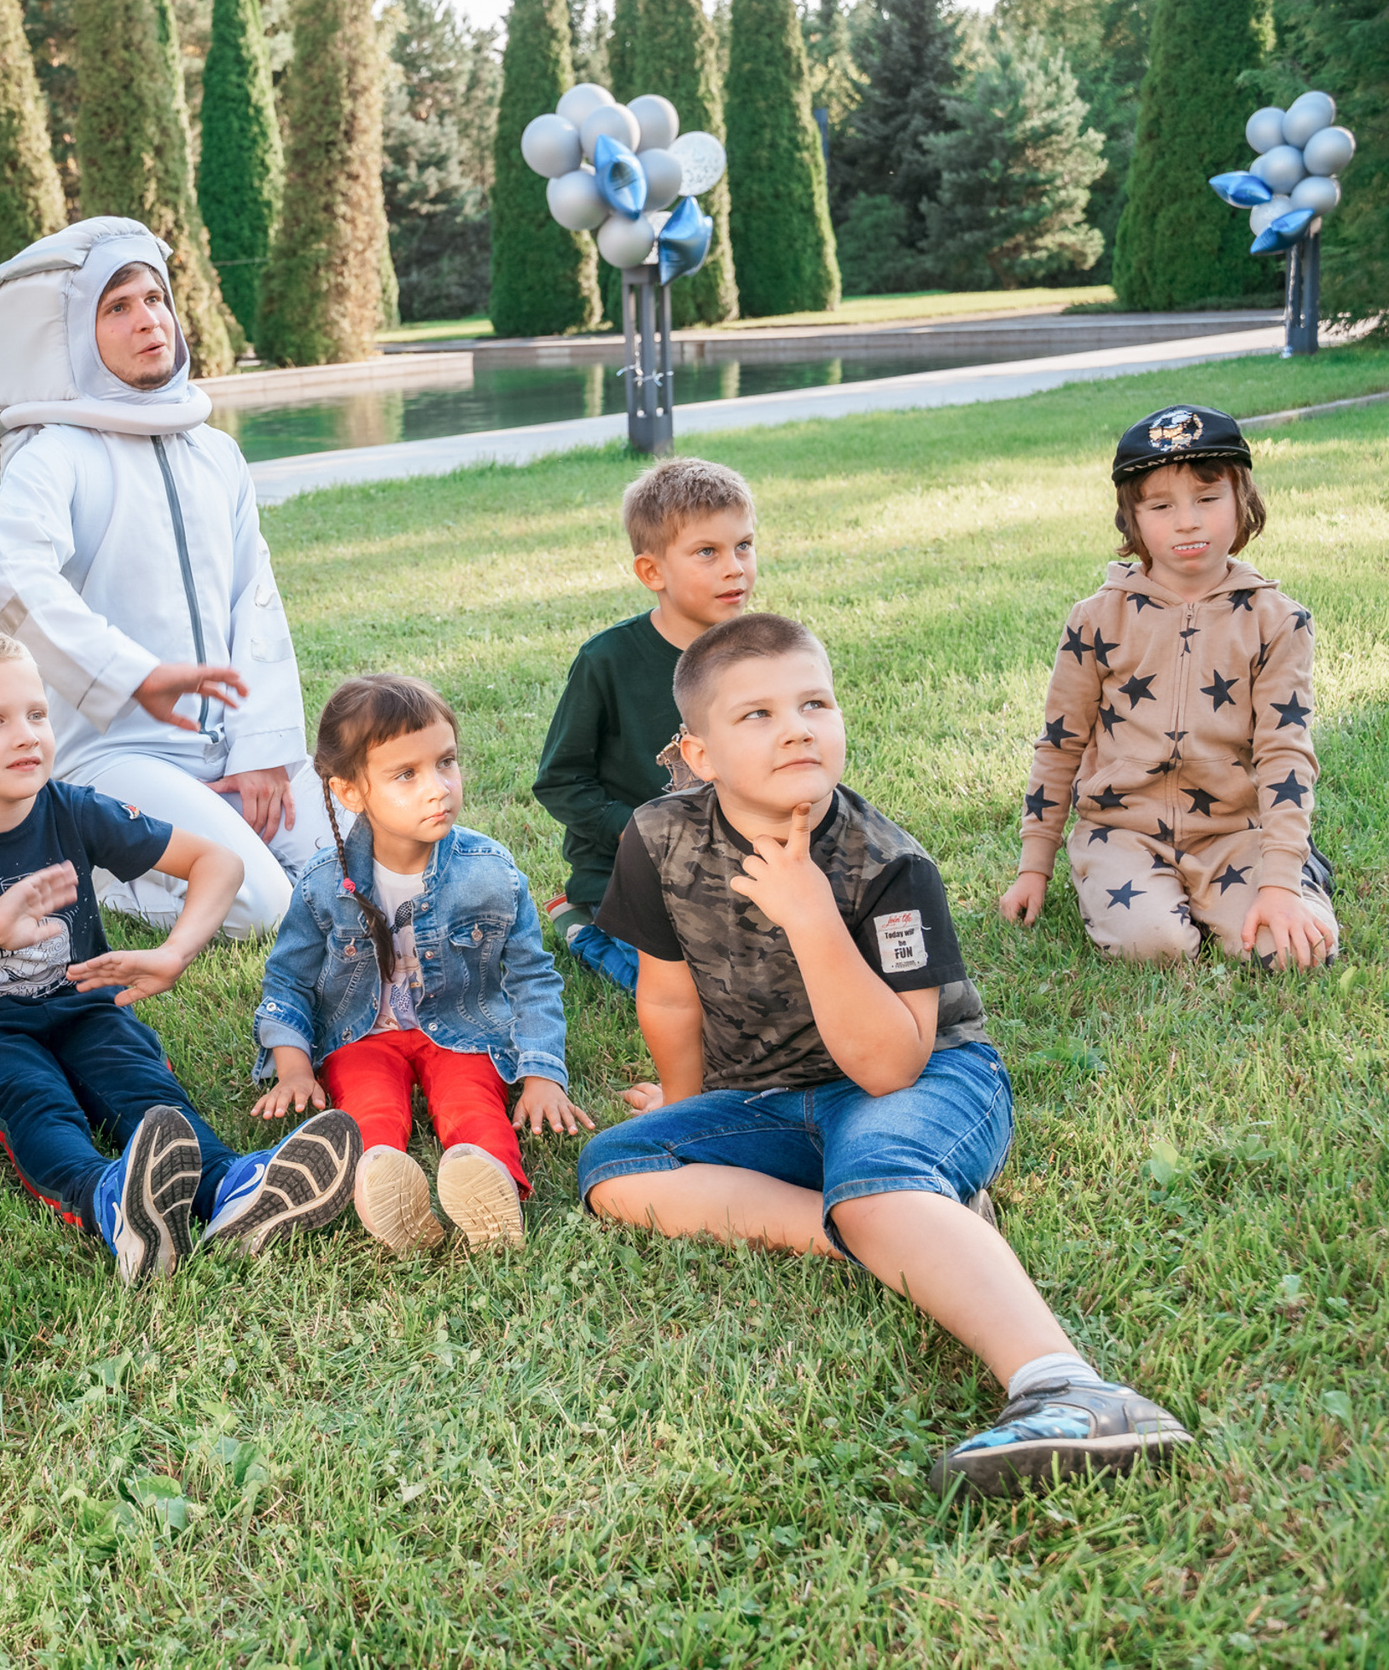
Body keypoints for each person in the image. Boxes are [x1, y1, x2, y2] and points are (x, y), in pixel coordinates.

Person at [575, 614, 1194, 1495]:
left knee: (879, 1175)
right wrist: (684, 1102)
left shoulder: (888, 863)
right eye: (755, 715)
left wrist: (813, 915)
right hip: (769, 1096)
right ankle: (900, 1228)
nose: (795, 726)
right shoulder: (660, 837)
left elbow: (890, 1067)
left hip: (928, 1075)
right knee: (618, 1162)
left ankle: (1070, 1386)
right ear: (699, 754)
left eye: (814, 703)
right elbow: (670, 993)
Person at [0, 632, 361, 1282]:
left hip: (86, 1000)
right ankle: (110, 1200)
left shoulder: (73, 810)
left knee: (146, 1090)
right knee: (35, 1100)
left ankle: (233, 1189)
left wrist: (174, 952)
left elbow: (216, 863)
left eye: (35, 713)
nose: (26, 734)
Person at [0, 217, 329, 940]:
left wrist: (261, 754)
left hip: (229, 747)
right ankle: (89, 857)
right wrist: (135, 675)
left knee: (363, 866)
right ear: (79, 336)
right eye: (117, 307)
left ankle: (221, 828)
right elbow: (7, 576)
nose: (147, 320)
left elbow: (255, 601)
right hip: (112, 756)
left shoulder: (216, 453)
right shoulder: (52, 453)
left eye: (154, 298)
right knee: (263, 906)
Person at [254, 675, 585, 1256]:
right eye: (405, 774)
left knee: (471, 1104)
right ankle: (383, 1190)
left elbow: (532, 976)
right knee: (370, 1110)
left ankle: (493, 1189)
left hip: (460, 1029)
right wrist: (293, 1068)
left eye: (446, 762)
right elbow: (289, 980)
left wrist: (541, 1074)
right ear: (350, 791)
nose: (438, 788)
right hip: (362, 1037)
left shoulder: (489, 871)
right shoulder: (323, 883)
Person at [997, 405, 1337, 968]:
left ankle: (1299, 870)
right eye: (1161, 506)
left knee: (1296, 954)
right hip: (1122, 831)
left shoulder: (1278, 621)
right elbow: (1060, 744)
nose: (1188, 521)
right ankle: (1133, 892)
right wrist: (1035, 867)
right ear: (1132, 519)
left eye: (1208, 499)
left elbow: (1286, 753)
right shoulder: (1095, 620)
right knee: (1156, 947)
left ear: (1242, 502)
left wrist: (1277, 884)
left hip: (1232, 831)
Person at [534, 456, 757, 993]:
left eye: (744, 546)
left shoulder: (759, 654)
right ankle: (582, 925)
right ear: (652, 571)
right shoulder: (607, 661)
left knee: (781, 964)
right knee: (690, 994)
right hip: (626, 874)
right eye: (708, 552)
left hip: (728, 864)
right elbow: (559, 781)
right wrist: (636, 828)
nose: (735, 567)